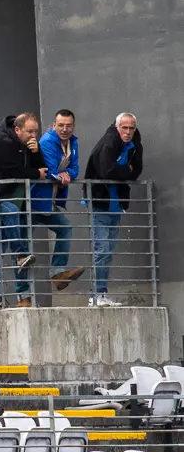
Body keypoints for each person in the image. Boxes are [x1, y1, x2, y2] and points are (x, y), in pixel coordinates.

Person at [0, 113, 48, 309]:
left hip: (3, 200)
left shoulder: (24, 146)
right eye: (29, 131)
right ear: (17, 130)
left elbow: (43, 170)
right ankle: (20, 254)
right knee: (11, 211)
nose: (33, 136)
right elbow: (14, 172)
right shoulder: (4, 144)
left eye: (36, 132)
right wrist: (36, 173)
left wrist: (36, 152)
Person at [84, 112, 144, 307]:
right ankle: (95, 296)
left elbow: (136, 171)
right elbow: (106, 171)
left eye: (131, 128)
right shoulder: (109, 143)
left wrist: (125, 172)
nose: (128, 132)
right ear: (117, 127)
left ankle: (101, 293)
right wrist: (126, 170)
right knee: (101, 249)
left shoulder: (135, 144)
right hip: (99, 202)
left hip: (116, 204)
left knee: (108, 251)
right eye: (124, 128)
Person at [35, 109, 85, 291]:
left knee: (65, 227)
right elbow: (50, 170)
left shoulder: (73, 142)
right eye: (61, 125)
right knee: (21, 246)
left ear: (73, 126)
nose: (65, 129)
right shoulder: (47, 142)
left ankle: (57, 273)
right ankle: (21, 295)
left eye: (68, 125)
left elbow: (75, 168)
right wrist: (61, 174)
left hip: (50, 200)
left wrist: (67, 174)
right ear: (54, 125)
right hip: (36, 200)